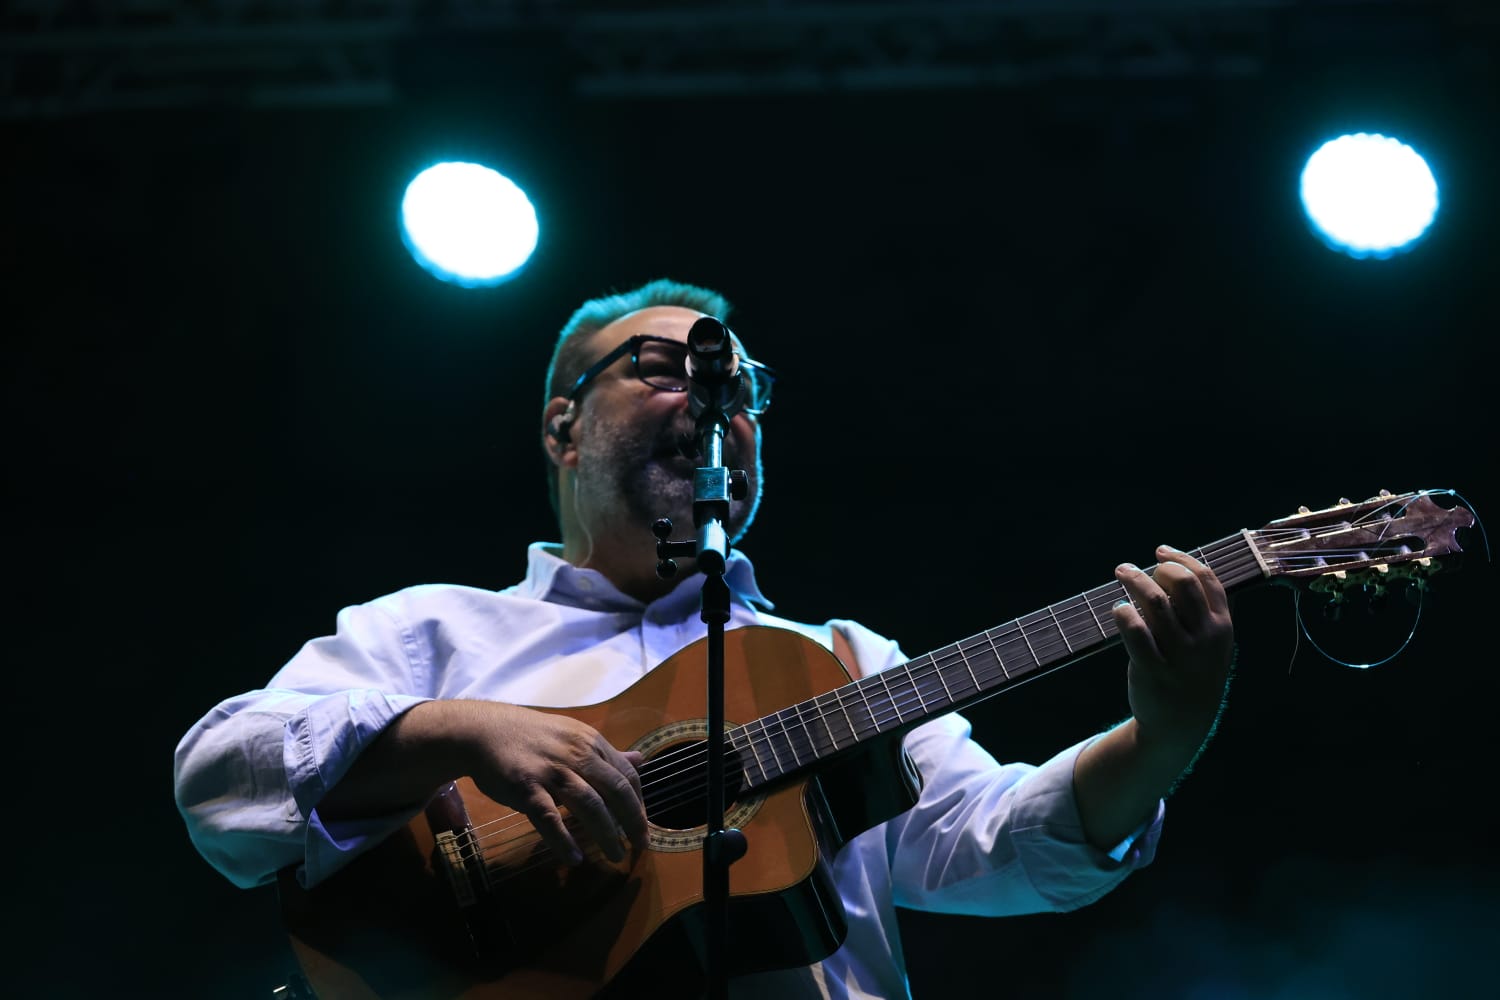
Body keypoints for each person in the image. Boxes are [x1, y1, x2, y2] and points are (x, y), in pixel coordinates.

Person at [173, 278, 1235, 999]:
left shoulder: (843, 659)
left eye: (740, 390)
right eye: (664, 368)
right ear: (563, 425)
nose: (713, 401)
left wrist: (1164, 738)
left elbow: (994, 843)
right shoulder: (431, 630)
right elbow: (221, 780)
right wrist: (452, 728)